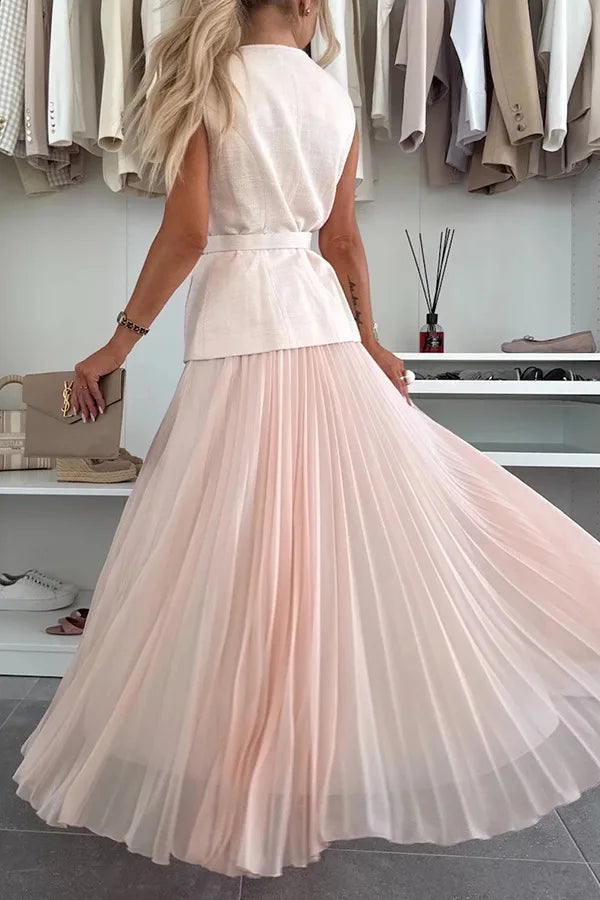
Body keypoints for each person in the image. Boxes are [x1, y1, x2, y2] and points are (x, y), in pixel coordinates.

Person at [13, 0, 600, 882]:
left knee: (236, 549)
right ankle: (295, 763)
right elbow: (342, 238)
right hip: (320, 334)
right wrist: (370, 343)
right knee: (322, 542)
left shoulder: (210, 83)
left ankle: (247, 770)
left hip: (241, 338)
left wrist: (121, 338)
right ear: (307, 7)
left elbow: (188, 230)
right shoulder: (328, 97)